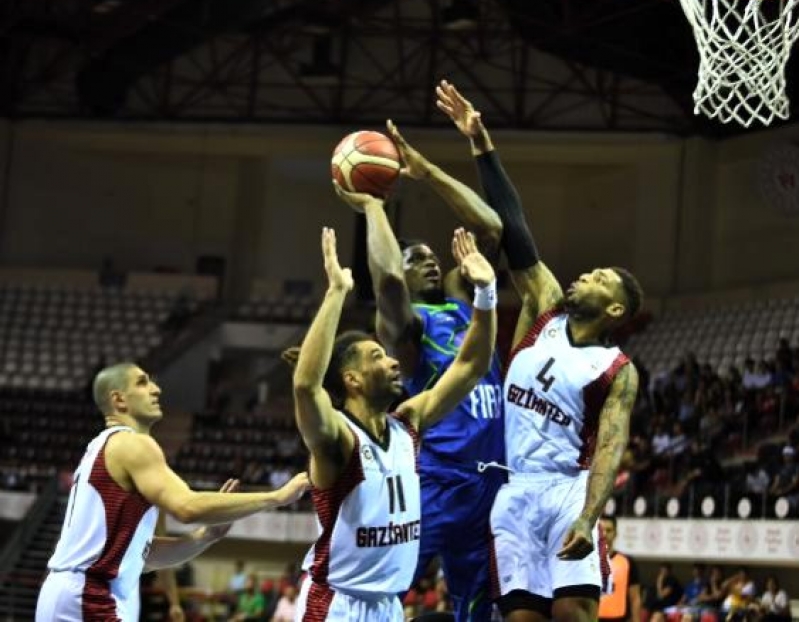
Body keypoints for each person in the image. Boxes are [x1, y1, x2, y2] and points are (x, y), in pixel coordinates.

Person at [436, 80, 642, 622]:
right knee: (522, 618)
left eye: (599, 278)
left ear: (615, 310)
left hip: (567, 493)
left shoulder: (616, 369)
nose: (585, 274)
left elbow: (609, 449)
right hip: (515, 490)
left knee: (573, 613)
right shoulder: (546, 311)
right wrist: (481, 143)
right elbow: (514, 224)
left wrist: (589, 516)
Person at [333, 119, 504, 622]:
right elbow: (386, 282)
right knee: (382, 588)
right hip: (435, 482)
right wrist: (373, 206)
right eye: (417, 258)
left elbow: (493, 230)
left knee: (476, 611)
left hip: (491, 482)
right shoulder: (406, 330)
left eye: (433, 258)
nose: (430, 263)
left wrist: (426, 171)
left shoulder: (462, 303)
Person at [291, 227, 497, 621]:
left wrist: (486, 294)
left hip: (388, 605)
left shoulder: (408, 424)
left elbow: (471, 366)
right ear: (352, 380)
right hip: (339, 604)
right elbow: (305, 385)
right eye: (376, 357)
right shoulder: (338, 438)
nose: (393, 361)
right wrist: (336, 292)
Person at [36, 362, 309, 621]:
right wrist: (277, 497)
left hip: (69, 591)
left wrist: (205, 537)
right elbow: (187, 506)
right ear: (119, 400)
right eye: (143, 383)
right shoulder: (133, 444)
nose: (156, 389)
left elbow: (145, 556)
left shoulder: (102, 447)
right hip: (87, 594)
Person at [598, 516, 641, 622]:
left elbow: (635, 598)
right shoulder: (587, 562)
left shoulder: (627, 562)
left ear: (615, 533)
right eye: (601, 530)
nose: (604, 534)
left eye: (609, 530)